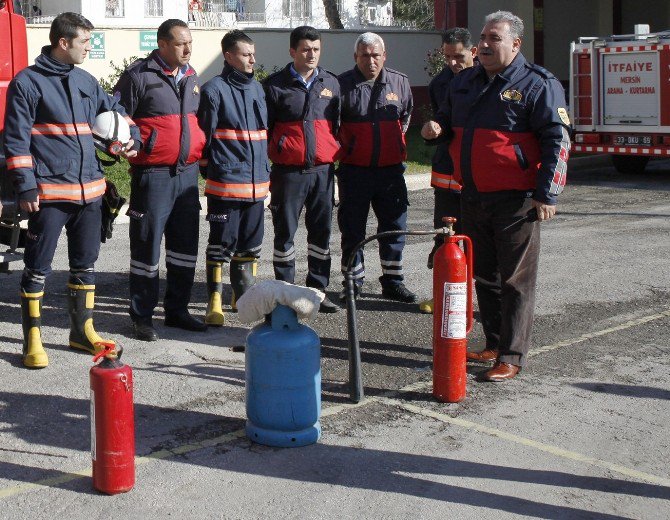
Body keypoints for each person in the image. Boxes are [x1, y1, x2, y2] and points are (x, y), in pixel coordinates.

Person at [422, 11, 571, 381]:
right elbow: (446, 120)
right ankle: (493, 341)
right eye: (483, 37)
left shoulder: (538, 84)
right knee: (484, 276)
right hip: (470, 194)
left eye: (494, 38)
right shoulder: (465, 81)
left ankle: (512, 355)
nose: (484, 44)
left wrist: (547, 194)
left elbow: (559, 140)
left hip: (517, 200)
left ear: (516, 44)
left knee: (515, 280)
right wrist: (435, 128)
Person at [2, 12, 139, 368]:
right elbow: (15, 142)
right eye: (84, 43)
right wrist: (26, 187)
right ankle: (33, 339)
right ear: (64, 43)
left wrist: (128, 139)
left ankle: (82, 332)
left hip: (90, 194)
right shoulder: (27, 83)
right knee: (36, 268)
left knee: (85, 265)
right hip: (48, 195)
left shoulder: (85, 80)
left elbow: (114, 112)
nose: (88, 50)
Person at [114, 19, 207, 341]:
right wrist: (134, 142)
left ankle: (177, 311)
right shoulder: (138, 76)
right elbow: (117, 116)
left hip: (187, 175)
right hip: (153, 176)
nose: (188, 49)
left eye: (190, 43)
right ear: (163, 44)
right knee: (147, 249)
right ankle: (142, 317)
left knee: (184, 248)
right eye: (181, 44)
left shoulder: (192, 76)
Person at [263, 26, 341, 313]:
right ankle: (287, 293)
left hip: (322, 171)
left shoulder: (331, 83)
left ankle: (318, 291)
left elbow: (338, 126)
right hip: (288, 173)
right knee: (285, 235)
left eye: (316, 49)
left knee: (321, 235)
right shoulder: (273, 86)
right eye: (306, 49)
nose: (312, 55)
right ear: (292, 51)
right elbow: (266, 130)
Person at [197, 30, 269, 326]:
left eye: (253, 53)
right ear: (228, 56)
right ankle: (214, 300)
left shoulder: (258, 89)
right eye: (245, 54)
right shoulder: (214, 90)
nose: (252, 59)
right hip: (226, 185)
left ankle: (242, 296)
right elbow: (205, 137)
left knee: (251, 245)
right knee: (220, 245)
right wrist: (212, 171)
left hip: (256, 185)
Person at [337, 32, 416, 303]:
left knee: (394, 227)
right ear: (355, 57)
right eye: (365, 55)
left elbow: (405, 119)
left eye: (375, 55)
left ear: (384, 56)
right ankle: (353, 282)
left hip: (390, 171)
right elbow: (334, 126)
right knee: (352, 229)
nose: (371, 61)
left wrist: (394, 146)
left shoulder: (400, 82)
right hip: (354, 171)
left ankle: (393, 281)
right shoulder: (341, 84)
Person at [419, 27, 477, 314]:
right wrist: (434, 130)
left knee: (477, 236)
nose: (453, 63)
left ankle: (475, 301)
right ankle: (444, 295)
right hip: (446, 168)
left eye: (459, 56)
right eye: (447, 57)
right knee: (444, 234)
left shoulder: (487, 79)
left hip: (476, 170)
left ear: (473, 52)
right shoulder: (441, 83)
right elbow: (444, 121)